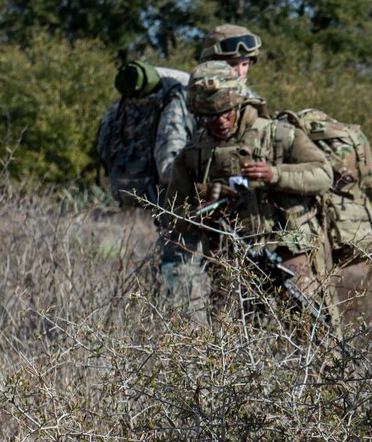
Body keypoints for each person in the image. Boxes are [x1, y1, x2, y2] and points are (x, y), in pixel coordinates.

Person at [167, 61, 333, 318]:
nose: (220, 122)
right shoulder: (192, 156)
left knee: (309, 333)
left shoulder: (278, 135)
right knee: (230, 341)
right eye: (211, 116)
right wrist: (204, 200)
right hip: (229, 258)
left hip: (288, 251)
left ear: (239, 103)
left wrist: (275, 175)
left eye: (227, 112)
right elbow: (174, 217)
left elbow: (324, 175)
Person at [95, 59, 195, 206]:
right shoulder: (178, 92)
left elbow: (102, 149)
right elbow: (168, 165)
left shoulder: (120, 108)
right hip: (167, 197)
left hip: (131, 193)